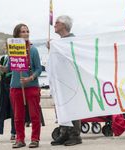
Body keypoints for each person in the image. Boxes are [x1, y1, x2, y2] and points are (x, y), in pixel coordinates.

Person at [0, 23, 42, 148]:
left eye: (27, 31)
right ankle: (20, 139)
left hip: (31, 87)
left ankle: (35, 139)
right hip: (15, 87)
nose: (26, 33)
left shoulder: (33, 50)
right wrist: (1, 68)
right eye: (23, 31)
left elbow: (39, 69)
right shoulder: (13, 50)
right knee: (18, 116)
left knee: (34, 115)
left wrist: (30, 78)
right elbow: (10, 68)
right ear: (17, 34)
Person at [49, 15, 82, 146]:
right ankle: (64, 133)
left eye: (57, 22)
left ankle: (75, 135)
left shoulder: (72, 40)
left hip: (71, 81)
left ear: (64, 25)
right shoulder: (60, 42)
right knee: (62, 106)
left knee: (72, 107)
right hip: (61, 80)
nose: (54, 24)